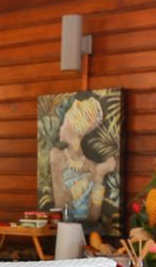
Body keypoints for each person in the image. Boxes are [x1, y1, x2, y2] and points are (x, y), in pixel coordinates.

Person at [49, 94, 116, 223]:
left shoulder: (92, 166)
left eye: (64, 122)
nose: (61, 127)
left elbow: (93, 217)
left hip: (85, 233)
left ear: (74, 128)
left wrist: (99, 177)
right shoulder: (56, 155)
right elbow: (61, 205)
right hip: (64, 230)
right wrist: (92, 175)